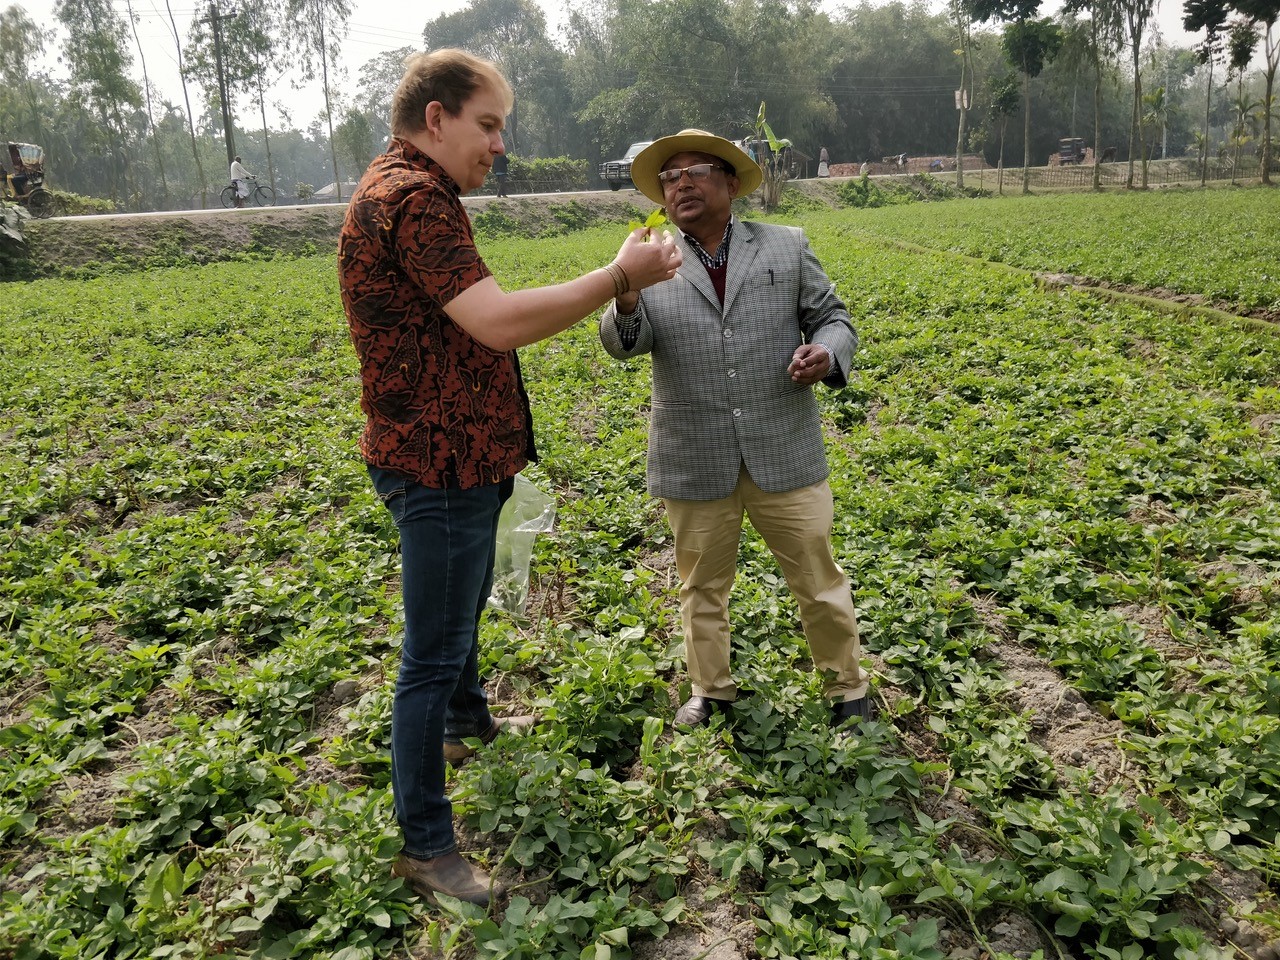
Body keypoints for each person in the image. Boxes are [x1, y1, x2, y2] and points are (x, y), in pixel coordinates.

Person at [337, 49, 680, 907]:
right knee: (432, 652)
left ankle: (466, 726)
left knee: (455, 622)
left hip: (457, 453)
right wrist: (617, 277)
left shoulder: (415, 190)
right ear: (436, 117)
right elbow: (494, 324)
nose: (499, 145)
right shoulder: (412, 198)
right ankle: (425, 846)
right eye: (488, 124)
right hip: (440, 463)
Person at [598, 129, 873, 733]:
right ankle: (711, 690)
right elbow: (625, 345)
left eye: (695, 171)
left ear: (730, 183)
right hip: (695, 454)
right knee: (701, 586)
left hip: (784, 448)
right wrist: (624, 291)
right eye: (670, 178)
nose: (681, 184)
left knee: (817, 577)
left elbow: (832, 318)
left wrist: (826, 354)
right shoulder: (651, 258)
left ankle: (847, 687)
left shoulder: (785, 246)